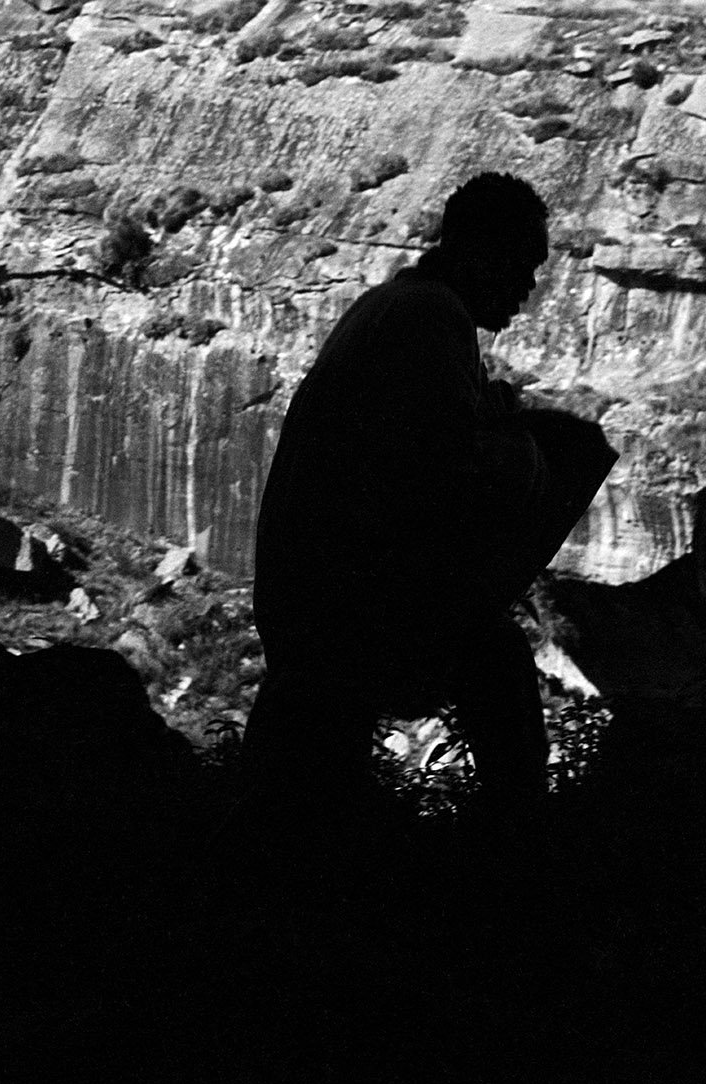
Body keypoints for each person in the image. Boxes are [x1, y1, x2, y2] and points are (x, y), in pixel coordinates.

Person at [244, 172, 602, 833]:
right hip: (343, 601)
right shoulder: (431, 318)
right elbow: (444, 475)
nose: (528, 286)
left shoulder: (400, 307)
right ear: (478, 253)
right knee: (495, 665)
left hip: (315, 591)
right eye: (520, 265)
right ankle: (518, 849)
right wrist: (526, 452)